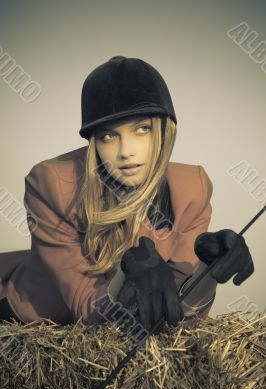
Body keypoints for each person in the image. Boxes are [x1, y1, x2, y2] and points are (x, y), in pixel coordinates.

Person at [0, 56, 254, 333]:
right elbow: (86, 308)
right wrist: (126, 276)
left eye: (142, 129)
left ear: (164, 131)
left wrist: (208, 271)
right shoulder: (51, 183)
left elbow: (175, 315)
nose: (125, 151)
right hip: (30, 316)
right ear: (94, 141)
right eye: (109, 136)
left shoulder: (192, 188)